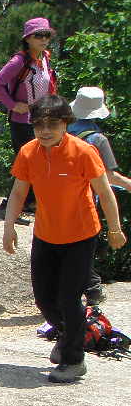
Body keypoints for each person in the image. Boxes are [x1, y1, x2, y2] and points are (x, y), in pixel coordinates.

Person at [2, 95, 126, 383]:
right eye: (39, 125)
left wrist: (115, 229)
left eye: (53, 124)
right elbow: (19, 192)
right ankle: (71, 335)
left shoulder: (83, 152)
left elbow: (105, 192)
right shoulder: (29, 152)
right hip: (46, 234)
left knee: (69, 299)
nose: (45, 131)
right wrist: (9, 227)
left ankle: (74, 359)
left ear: (65, 124)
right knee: (45, 299)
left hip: (81, 235)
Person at [68, 86, 131, 305]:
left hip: (56, 198)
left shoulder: (59, 131)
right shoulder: (97, 139)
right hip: (86, 201)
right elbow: (109, 177)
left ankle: (85, 288)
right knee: (83, 247)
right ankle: (92, 290)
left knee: (65, 246)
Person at [0, 17, 58, 221]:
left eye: (46, 35)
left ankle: (27, 202)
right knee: (27, 163)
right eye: (39, 35)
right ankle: (8, 206)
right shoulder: (19, 61)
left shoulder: (44, 58)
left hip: (41, 119)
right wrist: (12, 105)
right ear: (28, 38)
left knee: (40, 161)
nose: (44, 39)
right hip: (22, 121)